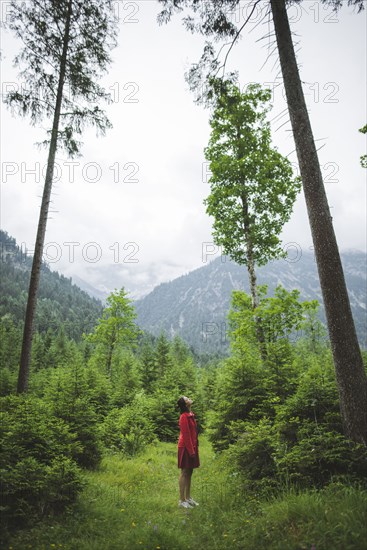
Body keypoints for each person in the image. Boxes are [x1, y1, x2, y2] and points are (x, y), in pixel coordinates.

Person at [176, 395, 200, 509]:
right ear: (186, 404)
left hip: (192, 446)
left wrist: (194, 447)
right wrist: (191, 451)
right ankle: (181, 500)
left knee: (190, 471)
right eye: (187, 399)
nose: (189, 398)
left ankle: (188, 498)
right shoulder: (184, 417)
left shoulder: (190, 415)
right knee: (184, 472)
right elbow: (186, 435)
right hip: (185, 447)